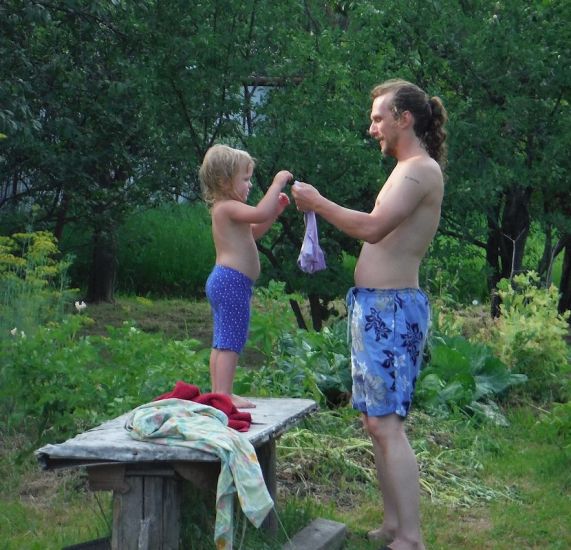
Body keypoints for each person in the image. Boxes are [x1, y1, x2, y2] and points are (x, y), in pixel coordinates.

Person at [292, 79, 447, 550]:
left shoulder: (420, 171)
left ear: (405, 118)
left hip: (393, 310)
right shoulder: (404, 169)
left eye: (379, 118)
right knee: (373, 421)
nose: (372, 128)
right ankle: (394, 524)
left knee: (387, 423)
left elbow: (374, 228)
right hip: (375, 306)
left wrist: (318, 203)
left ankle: (412, 538)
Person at [199, 144, 292, 409]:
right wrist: (277, 184)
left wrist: (274, 213)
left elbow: (252, 232)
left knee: (222, 340)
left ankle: (218, 393)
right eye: (245, 179)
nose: (249, 184)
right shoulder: (227, 207)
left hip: (226, 281)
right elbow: (259, 212)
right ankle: (224, 395)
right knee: (231, 340)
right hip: (232, 282)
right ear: (223, 181)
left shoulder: (226, 210)